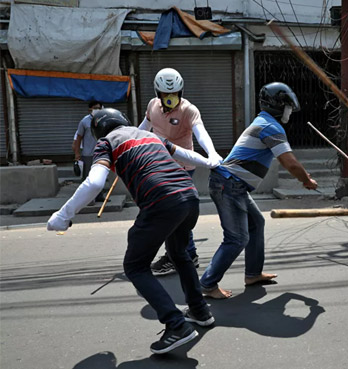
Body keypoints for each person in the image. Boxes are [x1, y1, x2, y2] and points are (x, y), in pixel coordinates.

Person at [47, 108, 220, 354]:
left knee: (135, 266)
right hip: (189, 196)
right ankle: (200, 311)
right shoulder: (148, 135)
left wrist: (62, 216)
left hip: (161, 201)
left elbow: (94, 182)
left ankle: (176, 325)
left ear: (98, 131)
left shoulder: (106, 143)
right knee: (179, 254)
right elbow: (183, 153)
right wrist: (211, 161)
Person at [200, 82, 318, 299]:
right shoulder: (270, 127)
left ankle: (253, 274)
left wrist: (305, 177)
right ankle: (207, 284)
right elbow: (290, 163)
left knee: (256, 223)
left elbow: (289, 162)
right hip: (229, 184)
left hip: (233, 184)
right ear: (277, 105)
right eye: (287, 107)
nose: (289, 112)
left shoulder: (265, 122)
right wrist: (306, 181)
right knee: (236, 238)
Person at [139, 68, 223, 275]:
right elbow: (144, 127)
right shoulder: (152, 105)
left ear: (181, 91)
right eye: (166, 95)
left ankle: (181, 255)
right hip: (158, 165)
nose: (171, 99)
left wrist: (212, 153)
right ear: (158, 94)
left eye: (175, 94)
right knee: (171, 212)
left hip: (183, 167)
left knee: (175, 212)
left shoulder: (188, 110)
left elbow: (201, 133)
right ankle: (183, 254)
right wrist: (128, 144)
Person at [73, 100, 105, 203]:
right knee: (88, 177)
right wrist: (77, 153)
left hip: (100, 153)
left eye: (99, 108)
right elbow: (78, 138)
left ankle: (99, 195)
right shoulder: (84, 121)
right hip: (88, 154)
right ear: (89, 109)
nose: (97, 110)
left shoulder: (103, 120)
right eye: (95, 108)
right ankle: (88, 199)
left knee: (100, 175)